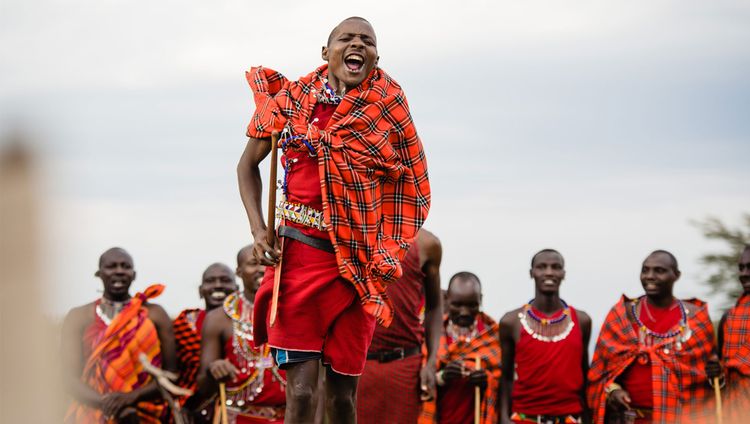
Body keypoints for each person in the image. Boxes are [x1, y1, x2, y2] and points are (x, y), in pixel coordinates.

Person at [237, 16, 430, 423]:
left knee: (343, 399)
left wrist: (386, 247)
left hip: (354, 269)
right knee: (302, 393)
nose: (357, 45)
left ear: (376, 56)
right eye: (346, 38)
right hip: (297, 263)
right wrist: (258, 229)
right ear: (326, 53)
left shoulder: (389, 107)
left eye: (367, 41)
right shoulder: (292, 101)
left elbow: (412, 187)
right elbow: (246, 167)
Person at [587, 250, 717, 423]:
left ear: (676, 275)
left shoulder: (696, 318)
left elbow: (707, 375)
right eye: (645, 270)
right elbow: (601, 373)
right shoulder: (622, 315)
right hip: (629, 419)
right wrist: (613, 391)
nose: (650, 276)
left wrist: (717, 370)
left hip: (680, 418)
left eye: (659, 271)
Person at [62, 247, 177, 423]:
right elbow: (69, 377)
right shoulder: (79, 316)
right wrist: (105, 403)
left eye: (125, 266)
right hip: (91, 413)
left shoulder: (155, 314)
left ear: (134, 274)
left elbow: (171, 374)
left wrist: (130, 398)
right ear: (99, 274)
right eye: (111, 266)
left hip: (146, 414)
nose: (119, 271)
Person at [357, 229, 443, 423]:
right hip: (358, 366)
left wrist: (430, 362)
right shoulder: (351, 234)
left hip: (406, 367)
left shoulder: (427, 244)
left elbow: (435, 307)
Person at [499, 249, 592, 424]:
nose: (549, 272)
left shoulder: (582, 320)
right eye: (542, 267)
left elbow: (584, 375)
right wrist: (503, 417)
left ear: (563, 274)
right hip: (524, 418)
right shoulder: (511, 322)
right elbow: (505, 377)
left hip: (570, 418)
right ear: (531, 273)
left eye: (555, 267)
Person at [196, 245, 286, 423]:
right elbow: (202, 384)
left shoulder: (294, 312)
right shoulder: (218, 318)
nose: (262, 268)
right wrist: (214, 368)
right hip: (236, 418)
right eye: (254, 263)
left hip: (289, 417)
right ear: (239, 271)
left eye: (268, 263)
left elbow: (317, 382)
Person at [419, 272, 501, 424]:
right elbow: (417, 381)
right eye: (457, 305)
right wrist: (442, 377)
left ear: (480, 300)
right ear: (446, 300)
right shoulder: (431, 334)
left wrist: (486, 381)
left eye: (472, 305)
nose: (464, 312)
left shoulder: (493, 336)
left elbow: (506, 383)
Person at [173, 263, 239, 418]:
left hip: (239, 408)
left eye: (225, 280)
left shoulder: (247, 325)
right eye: (211, 281)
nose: (218, 286)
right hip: (192, 409)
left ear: (236, 289)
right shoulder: (185, 323)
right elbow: (174, 371)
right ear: (200, 291)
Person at [713, 244, 750, 421]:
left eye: (749, 267)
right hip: (735, 413)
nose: (743, 273)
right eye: (741, 268)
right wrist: (714, 371)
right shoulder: (728, 318)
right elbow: (722, 377)